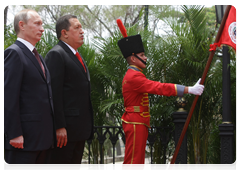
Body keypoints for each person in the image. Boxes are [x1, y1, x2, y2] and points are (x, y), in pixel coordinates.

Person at [116, 19, 204, 170]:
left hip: (138, 121)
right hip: (135, 122)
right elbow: (159, 87)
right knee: (133, 163)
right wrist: (189, 89)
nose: (145, 58)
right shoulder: (133, 76)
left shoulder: (135, 74)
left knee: (137, 162)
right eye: (142, 55)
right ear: (132, 58)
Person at [4, 9, 56, 170]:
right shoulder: (14, 52)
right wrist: (14, 134)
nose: (42, 29)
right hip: (23, 140)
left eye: (42, 24)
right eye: (37, 24)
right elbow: (8, 97)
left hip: (43, 139)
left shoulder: (38, 56)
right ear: (22, 25)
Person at [45, 14, 94, 170]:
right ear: (64, 33)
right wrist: (59, 126)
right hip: (65, 131)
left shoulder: (77, 56)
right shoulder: (56, 54)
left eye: (82, 27)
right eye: (77, 27)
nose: (82, 31)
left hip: (79, 129)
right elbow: (54, 93)